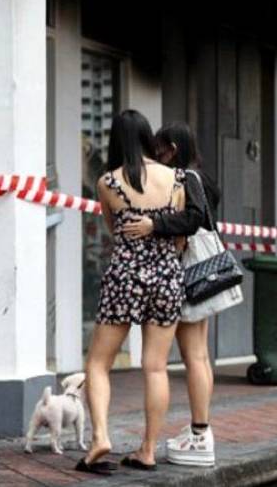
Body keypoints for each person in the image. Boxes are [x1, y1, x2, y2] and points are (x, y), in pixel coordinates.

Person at [76, 110, 186, 475]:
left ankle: (100, 438)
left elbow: (113, 230)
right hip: (167, 273)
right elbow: (180, 234)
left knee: (97, 363)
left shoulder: (108, 182)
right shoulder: (176, 179)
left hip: (126, 274)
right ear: (147, 137)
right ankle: (149, 450)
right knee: (155, 367)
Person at [121, 121, 221, 467]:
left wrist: (155, 225)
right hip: (204, 274)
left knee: (193, 356)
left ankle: (199, 434)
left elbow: (193, 220)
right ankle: (201, 433)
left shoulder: (185, 178)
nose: (154, 157)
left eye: (158, 150)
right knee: (201, 356)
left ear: (171, 150)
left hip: (188, 271)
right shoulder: (202, 177)